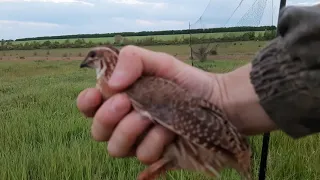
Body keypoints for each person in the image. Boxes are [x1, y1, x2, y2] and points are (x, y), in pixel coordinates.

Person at [77, 5, 320, 167]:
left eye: (91, 57)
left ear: (104, 59)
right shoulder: (113, 84)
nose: (86, 62)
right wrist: (220, 95)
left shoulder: (129, 84)